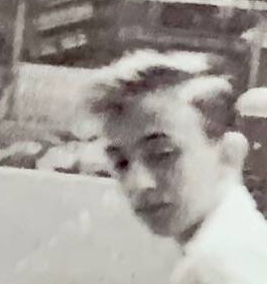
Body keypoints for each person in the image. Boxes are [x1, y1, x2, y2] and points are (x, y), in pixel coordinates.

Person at [86, 50, 267, 283]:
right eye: (121, 163)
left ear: (228, 154)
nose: (138, 184)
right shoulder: (238, 244)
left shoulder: (217, 265)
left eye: (162, 154)